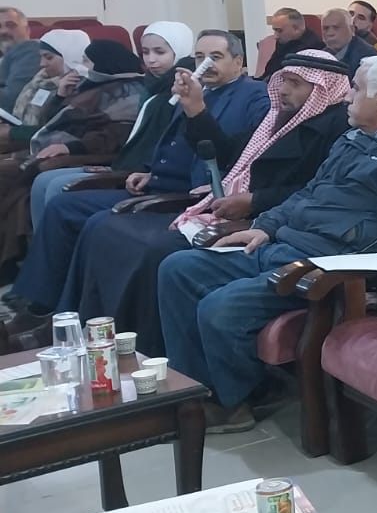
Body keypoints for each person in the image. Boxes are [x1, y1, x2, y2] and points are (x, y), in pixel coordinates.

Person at [159, 55, 377, 432]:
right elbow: (309, 193)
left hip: (330, 267)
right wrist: (265, 226)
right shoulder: (353, 138)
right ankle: (199, 391)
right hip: (284, 245)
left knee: (220, 307)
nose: (347, 97)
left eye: (355, 89)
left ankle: (233, 403)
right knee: (178, 268)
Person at [55, 51, 352, 355]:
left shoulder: (336, 128)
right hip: (232, 207)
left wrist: (255, 201)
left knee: (157, 252)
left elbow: (316, 190)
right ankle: (96, 334)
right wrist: (196, 109)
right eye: (283, 81)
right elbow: (225, 154)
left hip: (263, 220)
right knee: (108, 230)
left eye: (295, 83)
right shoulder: (277, 119)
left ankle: (148, 351)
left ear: (323, 88)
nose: (284, 90)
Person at [10, 30, 269, 317]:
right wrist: (147, 171)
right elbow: (169, 143)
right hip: (156, 183)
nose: (205, 64)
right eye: (199, 57)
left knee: (100, 224)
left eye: (215, 57)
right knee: (63, 206)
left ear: (238, 61)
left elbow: (240, 154)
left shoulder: (253, 96)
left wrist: (197, 111)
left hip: (191, 193)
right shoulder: (195, 91)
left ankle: (80, 314)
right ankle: (43, 304)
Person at [26, 22, 195, 236]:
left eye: (159, 52)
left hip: (138, 170)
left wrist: (79, 150)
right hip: (121, 160)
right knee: (43, 182)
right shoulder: (151, 85)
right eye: (145, 52)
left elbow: (129, 134)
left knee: (55, 186)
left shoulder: (180, 91)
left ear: (179, 51)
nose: (151, 60)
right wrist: (60, 96)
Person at [0, 39, 145, 281]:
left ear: (102, 62)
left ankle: (27, 267)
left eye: (87, 60)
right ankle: (19, 264)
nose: (82, 66)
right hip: (51, 148)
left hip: (84, 154)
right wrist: (60, 96)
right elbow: (49, 125)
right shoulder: (90, 86)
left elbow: (114, 135)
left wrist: (69, 147)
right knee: (14, 181)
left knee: (24, 178)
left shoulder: (127, 91)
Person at [6, 29, 91, 144]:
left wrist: (12, 133)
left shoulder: (80, 86)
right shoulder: (40, 80)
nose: (42, 64)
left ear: (69, 56)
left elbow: (56, 129)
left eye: (49, 57)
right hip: (24, 143)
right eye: (41, 57)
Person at [0, 7, 43, 110]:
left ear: (27, 30)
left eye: (11, 25)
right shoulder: (6, 55)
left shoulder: (29, 49)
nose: (3, 31)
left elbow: (11, 100)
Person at [263, 7, 325, 77]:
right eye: (275, 30)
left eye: (279, 31)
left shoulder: (312, 48)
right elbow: (270, 71)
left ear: (296, 29)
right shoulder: (285, 41)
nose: (276, 36)